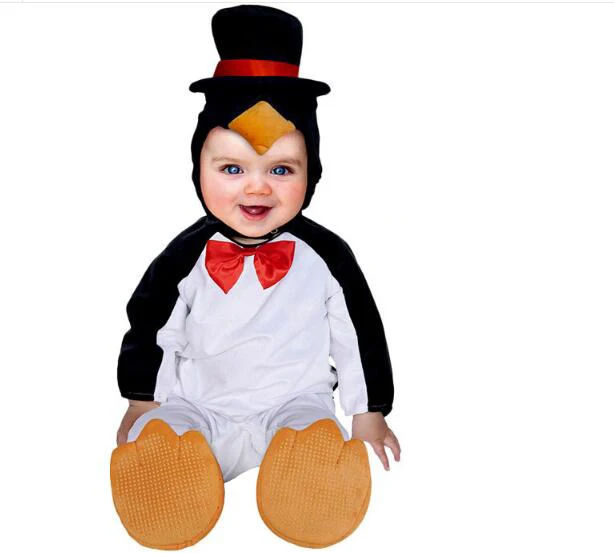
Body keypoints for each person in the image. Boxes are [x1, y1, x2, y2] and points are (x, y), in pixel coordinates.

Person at [110, 5, 399, 550]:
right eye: (232, 169)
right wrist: (142, 399)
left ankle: (308, 479)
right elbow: (150, 326)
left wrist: (369, 413)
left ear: (312, 173)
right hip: (198, 405)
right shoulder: (187, 255)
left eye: (281, 169)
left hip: (293, 404)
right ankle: (171, 476)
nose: (257, 187)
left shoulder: (326, 256)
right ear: (199, 169)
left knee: (312, 428)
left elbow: (359, 333)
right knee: (166, 428)